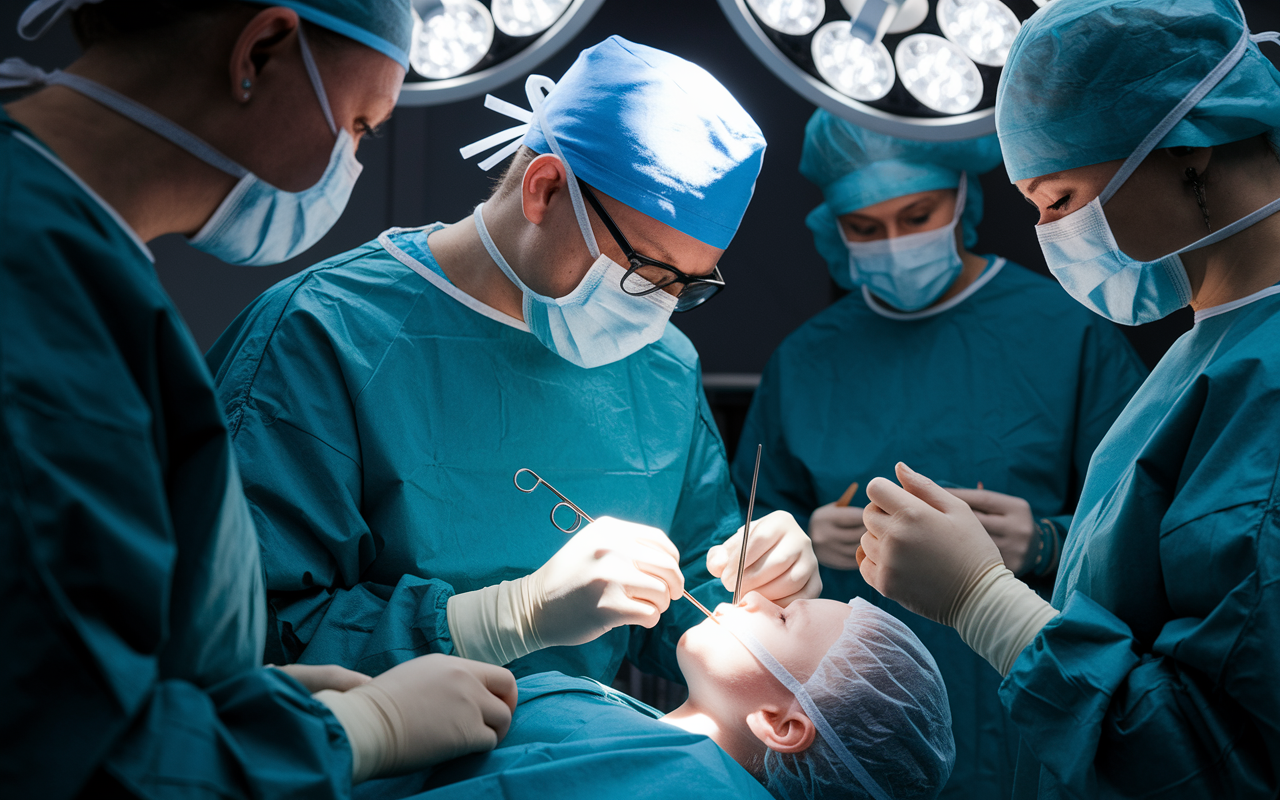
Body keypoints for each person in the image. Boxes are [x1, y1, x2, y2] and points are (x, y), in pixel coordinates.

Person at [0, 2, 518, 797]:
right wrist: (348, 736)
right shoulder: (38, 293)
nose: (355, 161)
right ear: (262, 50)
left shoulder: (76, 257)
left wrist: (245, 707)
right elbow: (60, 754)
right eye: (360, 124)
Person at [206, 36, 820, 686]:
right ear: (545, 189)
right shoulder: (320, 334)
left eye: (686, 287)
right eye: (644, 272)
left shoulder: (661, 365)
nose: (657, 310)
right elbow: (248, 635)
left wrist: (752, 592)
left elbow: (686, 602)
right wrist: (498, 621)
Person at [854, 0, 1280, 796]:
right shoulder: (1206, 350)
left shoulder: (1267, 381)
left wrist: (986, 603)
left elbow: (1228, 766)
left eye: (1059, 199)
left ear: (1184, 147)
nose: (1052, 235)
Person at [731, 112, 1146, 797]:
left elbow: (1145, 531)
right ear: (833, 231)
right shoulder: (805, 361)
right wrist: (800, 539)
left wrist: (1047, 542)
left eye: (917, 214)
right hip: (848, 735)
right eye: (864, 228)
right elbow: (745, 529)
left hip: (1021, 707)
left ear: (962, 195)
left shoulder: (1066, 332)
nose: (894, 243)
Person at [360, 592, 954, 800]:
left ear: (781, 724)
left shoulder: (682, 787)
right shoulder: (653, 741)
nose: (751, 597)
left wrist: (362, 736)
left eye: (779, 616)